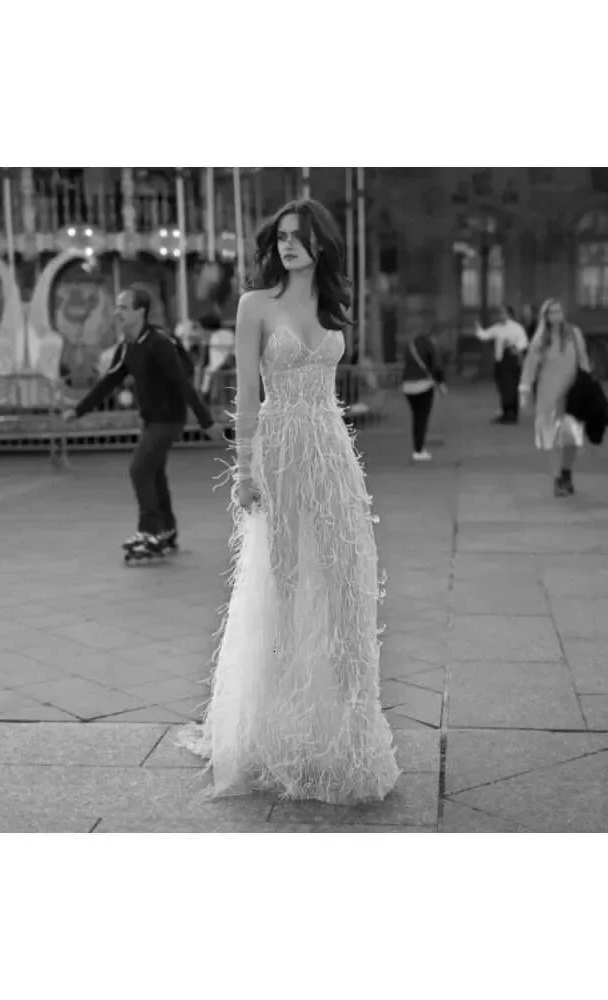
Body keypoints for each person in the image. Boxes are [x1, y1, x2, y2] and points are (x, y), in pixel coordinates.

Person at [177, 197, 400, 804]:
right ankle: (275, 727)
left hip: (331, 448)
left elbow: (330, 389)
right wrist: (244, 471)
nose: (287, 246)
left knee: (345, 582)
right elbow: (246, 393)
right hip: (279, 451)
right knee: (285, 584)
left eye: (298, 237)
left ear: (320, 243)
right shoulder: (254, 304)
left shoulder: (332, 306)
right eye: (280, 238)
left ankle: (346, 728)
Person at [63, 286, 226, 560]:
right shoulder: (127, 345)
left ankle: (150, 533)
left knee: (139, 469)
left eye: (123, 307)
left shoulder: (159, 342)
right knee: (154, 474)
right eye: (117, 307)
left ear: (140, 311)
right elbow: (109, 381)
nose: (117, 312)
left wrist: (206, 422)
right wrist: (79, 410)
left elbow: (183, 383)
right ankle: (167, 531)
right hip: (152, 420)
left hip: (169, 420)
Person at [518, 298, 591, 497]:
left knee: (572, 439)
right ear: (545, 316)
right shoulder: (541, 338)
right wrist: (524, 391)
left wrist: (589, 386)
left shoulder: (574, 334)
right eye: (551, 312)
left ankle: (567, 472)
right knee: (550, 438)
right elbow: (530, 366)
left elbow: (583, 360)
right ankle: (557, 479)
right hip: (548, 395)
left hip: (572, 394)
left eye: (558, 311)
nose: (556, 316)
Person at [475, 305, 529, 424]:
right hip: (500, 362)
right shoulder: (497, 328)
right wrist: (478, 329)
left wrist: (515, 347)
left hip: (512, 361)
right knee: (503, 388)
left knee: (511, 387)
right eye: (499, 313)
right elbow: (484, 335)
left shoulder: (517, 328)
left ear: (508, 314)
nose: (500, 315)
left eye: (502, 313)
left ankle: (512, 413)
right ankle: (505, 412)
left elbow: (524, 342)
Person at [400, 326, 446, 462]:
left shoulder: (411, 346)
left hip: (407, 387)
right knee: (422, 419)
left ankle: (418, 448)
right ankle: (418, 450)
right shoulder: (429, 346)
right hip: (423, 387)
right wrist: (441, 383)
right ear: (433, 337)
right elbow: (436, 366)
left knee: (416, 418)